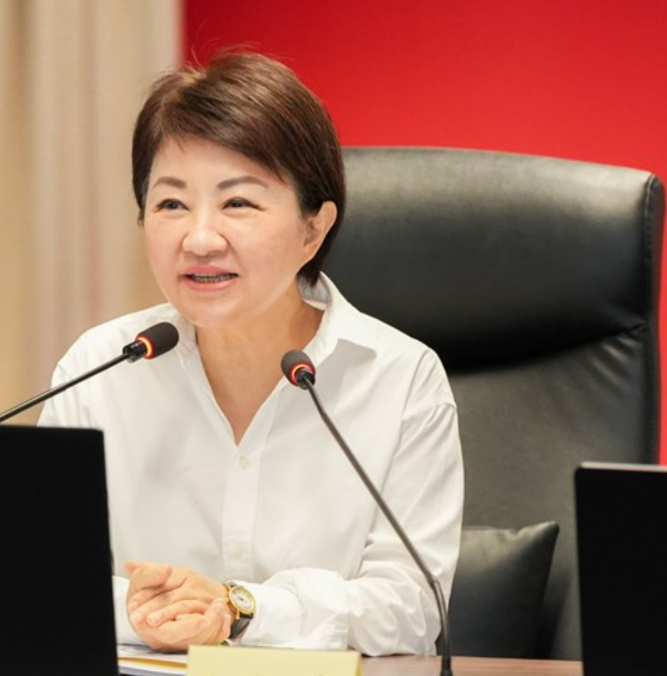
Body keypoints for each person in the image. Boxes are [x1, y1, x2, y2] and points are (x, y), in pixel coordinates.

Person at [38, 52, 463, 656]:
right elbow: (42, 579)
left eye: (237, 203)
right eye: (171, 204)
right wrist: (143, 615)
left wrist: (240, 609)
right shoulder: (98, 369)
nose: (200, 238)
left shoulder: (401, 379)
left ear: (313, 230)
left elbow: (411, 608)